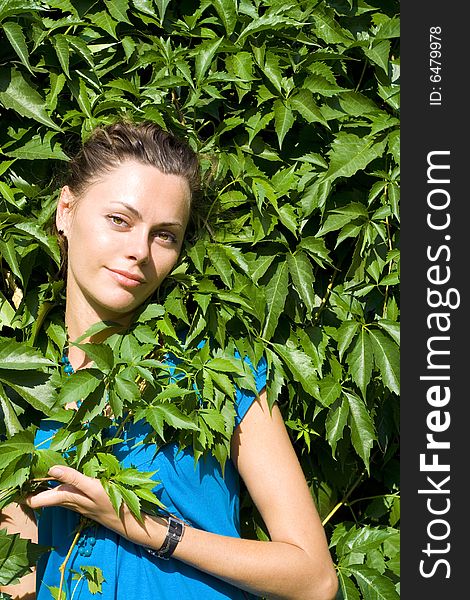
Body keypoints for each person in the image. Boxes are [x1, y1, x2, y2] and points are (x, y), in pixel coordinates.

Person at [0, 121, 338, 600]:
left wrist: (138, 522)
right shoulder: (21, 392)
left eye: (165, 235)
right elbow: (21, 580)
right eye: (119, 220)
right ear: (66, 210)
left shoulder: (218, 372)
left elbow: (315, 579)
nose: (139, 251)